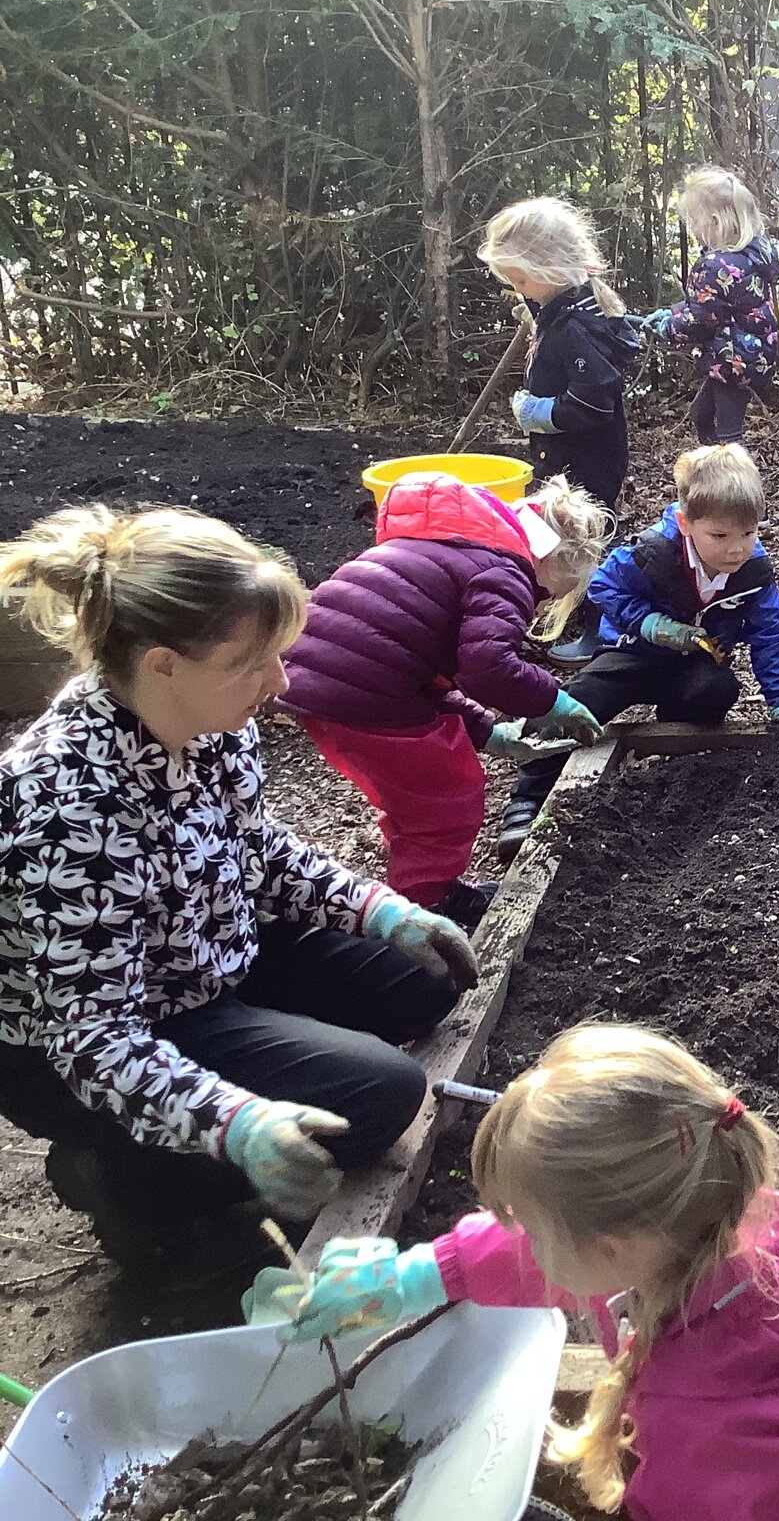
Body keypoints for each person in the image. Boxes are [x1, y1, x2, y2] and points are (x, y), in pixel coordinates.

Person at [0, 507, 479, 1268]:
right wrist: (234, 1121)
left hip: (208, 949)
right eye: (253, 663)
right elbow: (90, 1037)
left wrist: (376, 909)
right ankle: (130, 1181)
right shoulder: (68, 808)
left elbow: (254, 849)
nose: (281, 681)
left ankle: (259, 1050)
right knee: (382, 1097)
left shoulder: (212, 722)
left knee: (422, 980)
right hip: (115, 1030)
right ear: (163, 665)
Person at [248, 1024, 779, 1521]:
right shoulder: (722, 1231)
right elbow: (555, 1254)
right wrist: (417, 1278)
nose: (519, 1237)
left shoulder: (703, 1421)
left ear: (614, 1246)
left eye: (525, 1220)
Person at [279, 472, 614, 928]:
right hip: (366, 687)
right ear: (551, 562)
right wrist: (554, 702)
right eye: (549, 594)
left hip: (322, 675)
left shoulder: (449, 548)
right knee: (448, 795)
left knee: (415, 796)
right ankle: (426, 906)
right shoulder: (507, 572)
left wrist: (489, 732)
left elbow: (421, 671)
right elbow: (488, 667)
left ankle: (428, 884)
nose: (539, 603)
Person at [495, 444, 779, 860]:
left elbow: (770, 631)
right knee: (579, 697)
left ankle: (671, 766)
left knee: (717, 690)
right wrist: (648, 622)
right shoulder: (653, 550)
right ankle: (528, 797)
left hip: (695, 660)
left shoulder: (754, 571)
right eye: (720, 536)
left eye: (749, 533)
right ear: (687, 524)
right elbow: (602, 585)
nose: (736, 548)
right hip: (634, 651)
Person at [478, 195, 644, 665]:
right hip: (565, 453)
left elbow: (596, 398)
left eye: (522, 279)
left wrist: (542, 412)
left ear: (550, 265)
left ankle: (604, 628)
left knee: (584, 537)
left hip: (587, 453)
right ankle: (551, 611)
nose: (519, 290)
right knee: (550, 531)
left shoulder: (575, 325)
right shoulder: (561, 307)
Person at [639, 166, 779, 447]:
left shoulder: (719, 266)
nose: (691, 227)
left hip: (733, 362)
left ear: (714, 222)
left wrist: (668, 327)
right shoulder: (749, 255)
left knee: (728, 436)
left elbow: (701, 320)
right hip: (748, 355)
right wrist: (671, 311)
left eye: (694, 220)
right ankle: (714, 471)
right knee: (702, 415)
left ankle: (733, 484)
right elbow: (710, 304)